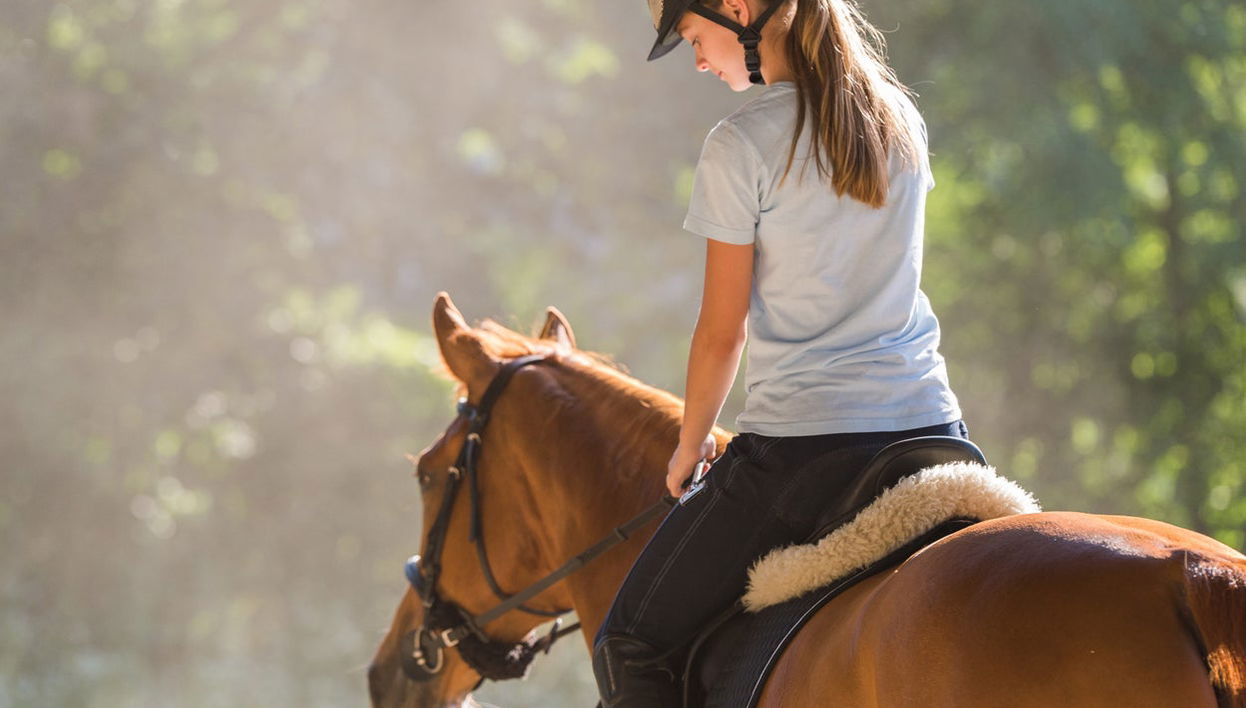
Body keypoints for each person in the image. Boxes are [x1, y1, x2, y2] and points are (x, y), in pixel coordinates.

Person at [592, 0, 968, 705]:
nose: (700, 61)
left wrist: (691, 444)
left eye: (696, 38)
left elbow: (721, 331)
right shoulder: (899, 118)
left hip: (807, 450)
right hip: (932, 432)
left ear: (738, 10)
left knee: (630, 642)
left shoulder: (740, 144)